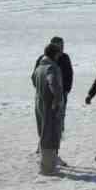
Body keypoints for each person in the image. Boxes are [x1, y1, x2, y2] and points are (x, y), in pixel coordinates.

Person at [32, 42, 65, 176]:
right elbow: (54, 84)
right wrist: (57, 100)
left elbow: (34, 80)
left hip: (39, 103)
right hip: (49, 106)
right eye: (58, 53)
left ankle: (46, 165)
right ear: (55, 54)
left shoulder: (40, 67)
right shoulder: (51, 68)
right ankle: (48, 168)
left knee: (43, 133)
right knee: (50, 135)